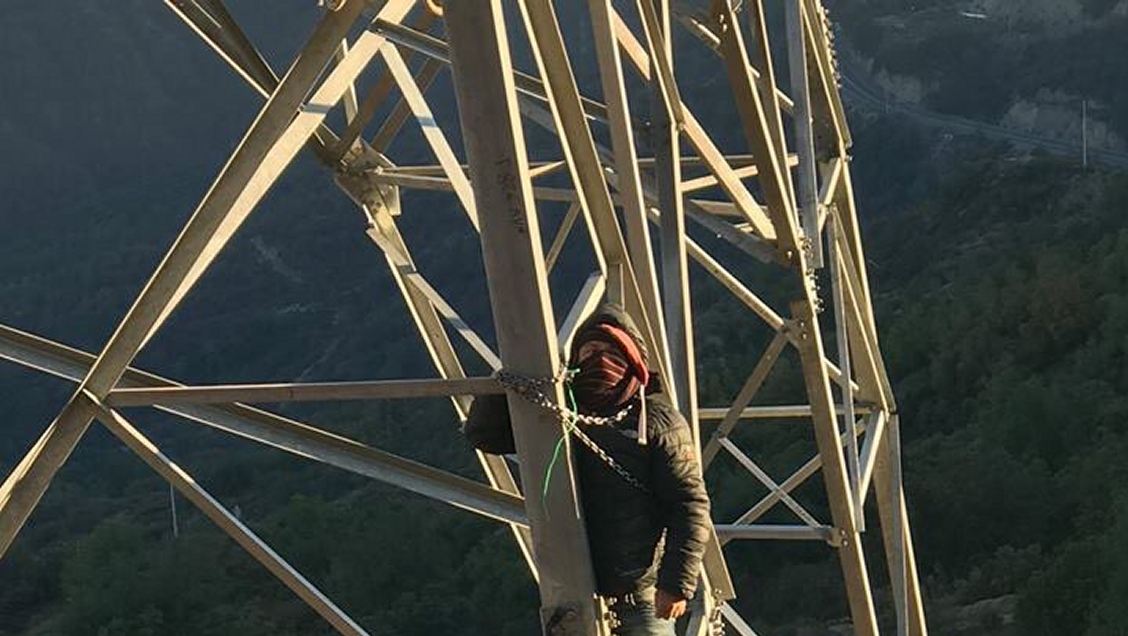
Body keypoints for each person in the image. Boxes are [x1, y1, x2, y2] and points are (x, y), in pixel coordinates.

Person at [465, 303, 712, 636]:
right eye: (591, 349)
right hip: (566, 595)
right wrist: (507, 382)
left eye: (612, 350)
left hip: (637, 595)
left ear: (632, 361)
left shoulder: (656, 420)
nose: (600, 359)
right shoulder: (553, 413)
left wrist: (676, 584)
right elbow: (485, 435)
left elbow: (689, 505)